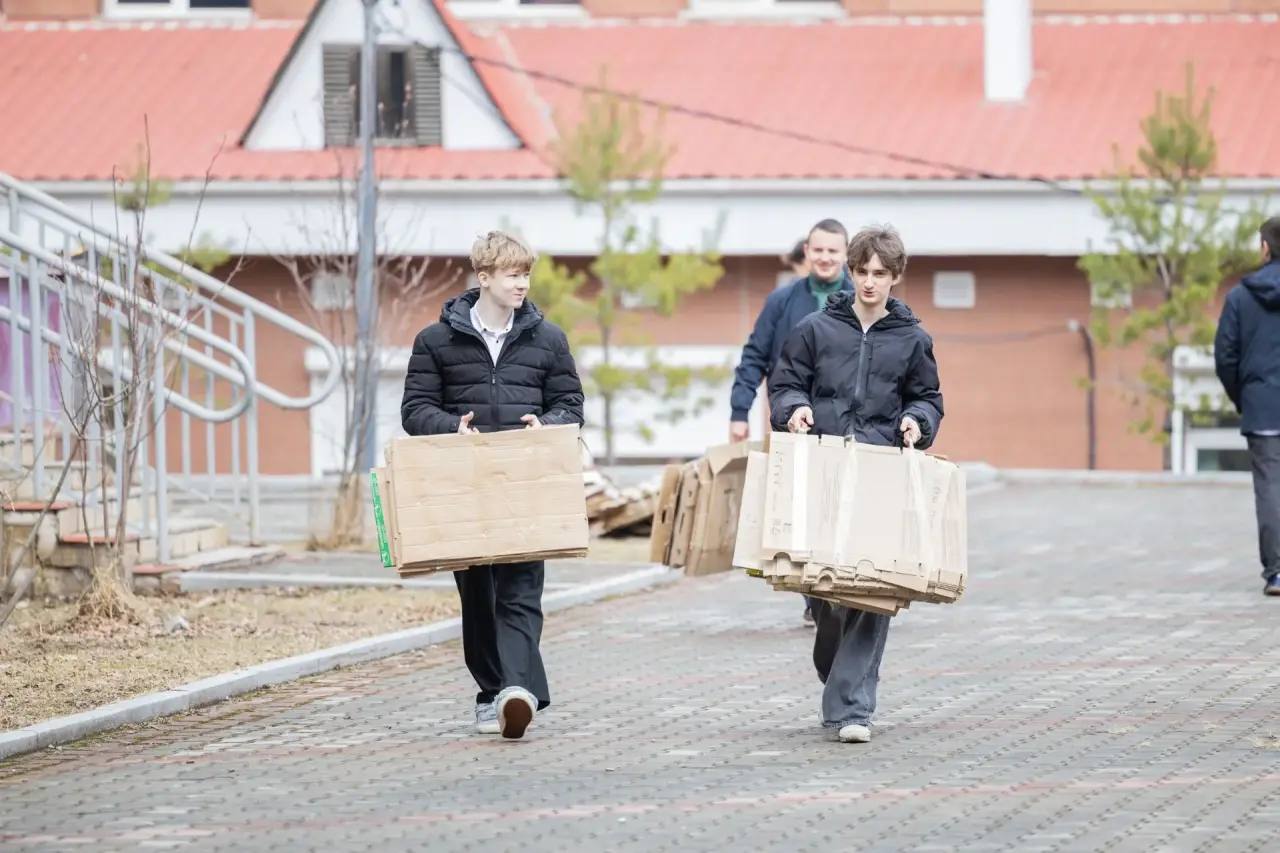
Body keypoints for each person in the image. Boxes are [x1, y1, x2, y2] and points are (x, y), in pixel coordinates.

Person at [400, 230, 585, 738]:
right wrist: (450, 426)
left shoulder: (548, 340)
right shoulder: (435, 341)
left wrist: (546, 424)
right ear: (483, 277)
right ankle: (490, 691)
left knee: (521, 590)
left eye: (526, 274)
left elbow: (570, 404)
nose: (522, 284)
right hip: (464, 487)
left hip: (527, 483)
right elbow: (415, 410)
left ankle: (516, 690)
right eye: (512, 274)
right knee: (479, 596)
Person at [768, 224, 943, 743]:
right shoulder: (815, 329)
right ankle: (837, 667)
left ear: (895, 277)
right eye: (862, 271)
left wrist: (917, 421)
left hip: (880, 471)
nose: (869, 282)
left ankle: (852, 710)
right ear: (851, 271)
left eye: (880, 274)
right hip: (823, 469)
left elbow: (928, 398)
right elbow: (786, 383)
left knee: (872, 590)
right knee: (826, 593)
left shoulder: (913, 339)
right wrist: (794, 409)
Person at [731, 220, 852, 625]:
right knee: (801, 513)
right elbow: (754, 355)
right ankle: (815, 599)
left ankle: (842, 591)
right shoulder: (782, 302)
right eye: (818, 250)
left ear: (845, 255)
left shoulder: (861, 298)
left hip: (846, 424)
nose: (825, 258)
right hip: (793, 423)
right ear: (807, 251)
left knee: (839, 509)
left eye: (833, 251)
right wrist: (739, 411)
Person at [1214, 215, 1280, 597]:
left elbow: (1226, 357)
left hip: (1263, 407)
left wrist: (1245, 396)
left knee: (1270, 488)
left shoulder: (1240, 297)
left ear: (1266, 247)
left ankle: (1277, 573)